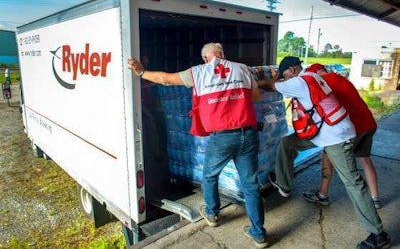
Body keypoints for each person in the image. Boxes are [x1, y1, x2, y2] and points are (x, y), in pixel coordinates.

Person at [128, 43, 268, 248]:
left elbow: (165, 79)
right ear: (223, 55)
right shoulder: (242, 68)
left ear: (205, 58)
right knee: (250, 184)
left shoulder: (199, 72)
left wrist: (142, 72)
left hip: (222, 138)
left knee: (210, 175)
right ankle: (258, 234)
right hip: (248, 134)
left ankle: (212, 213)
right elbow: (257, 97)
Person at [257, 56, 390, 249]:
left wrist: (255, 79)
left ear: (292, 71)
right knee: (288, 143)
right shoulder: (314, 76)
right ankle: (284, 184)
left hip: (337, 137)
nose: (284, 79)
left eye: (285, 75)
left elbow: (270, 86)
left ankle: (378, 234)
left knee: (353, 182)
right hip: (324, 130)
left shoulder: (300, 82)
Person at [301, 63, 381, 209]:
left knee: (328, 157)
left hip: (352, 129)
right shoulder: (342, 79)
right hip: (368, 123)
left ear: (317, 73)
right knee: (366, 160)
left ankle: (322, 195)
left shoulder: (324, 82)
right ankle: (375, 199)